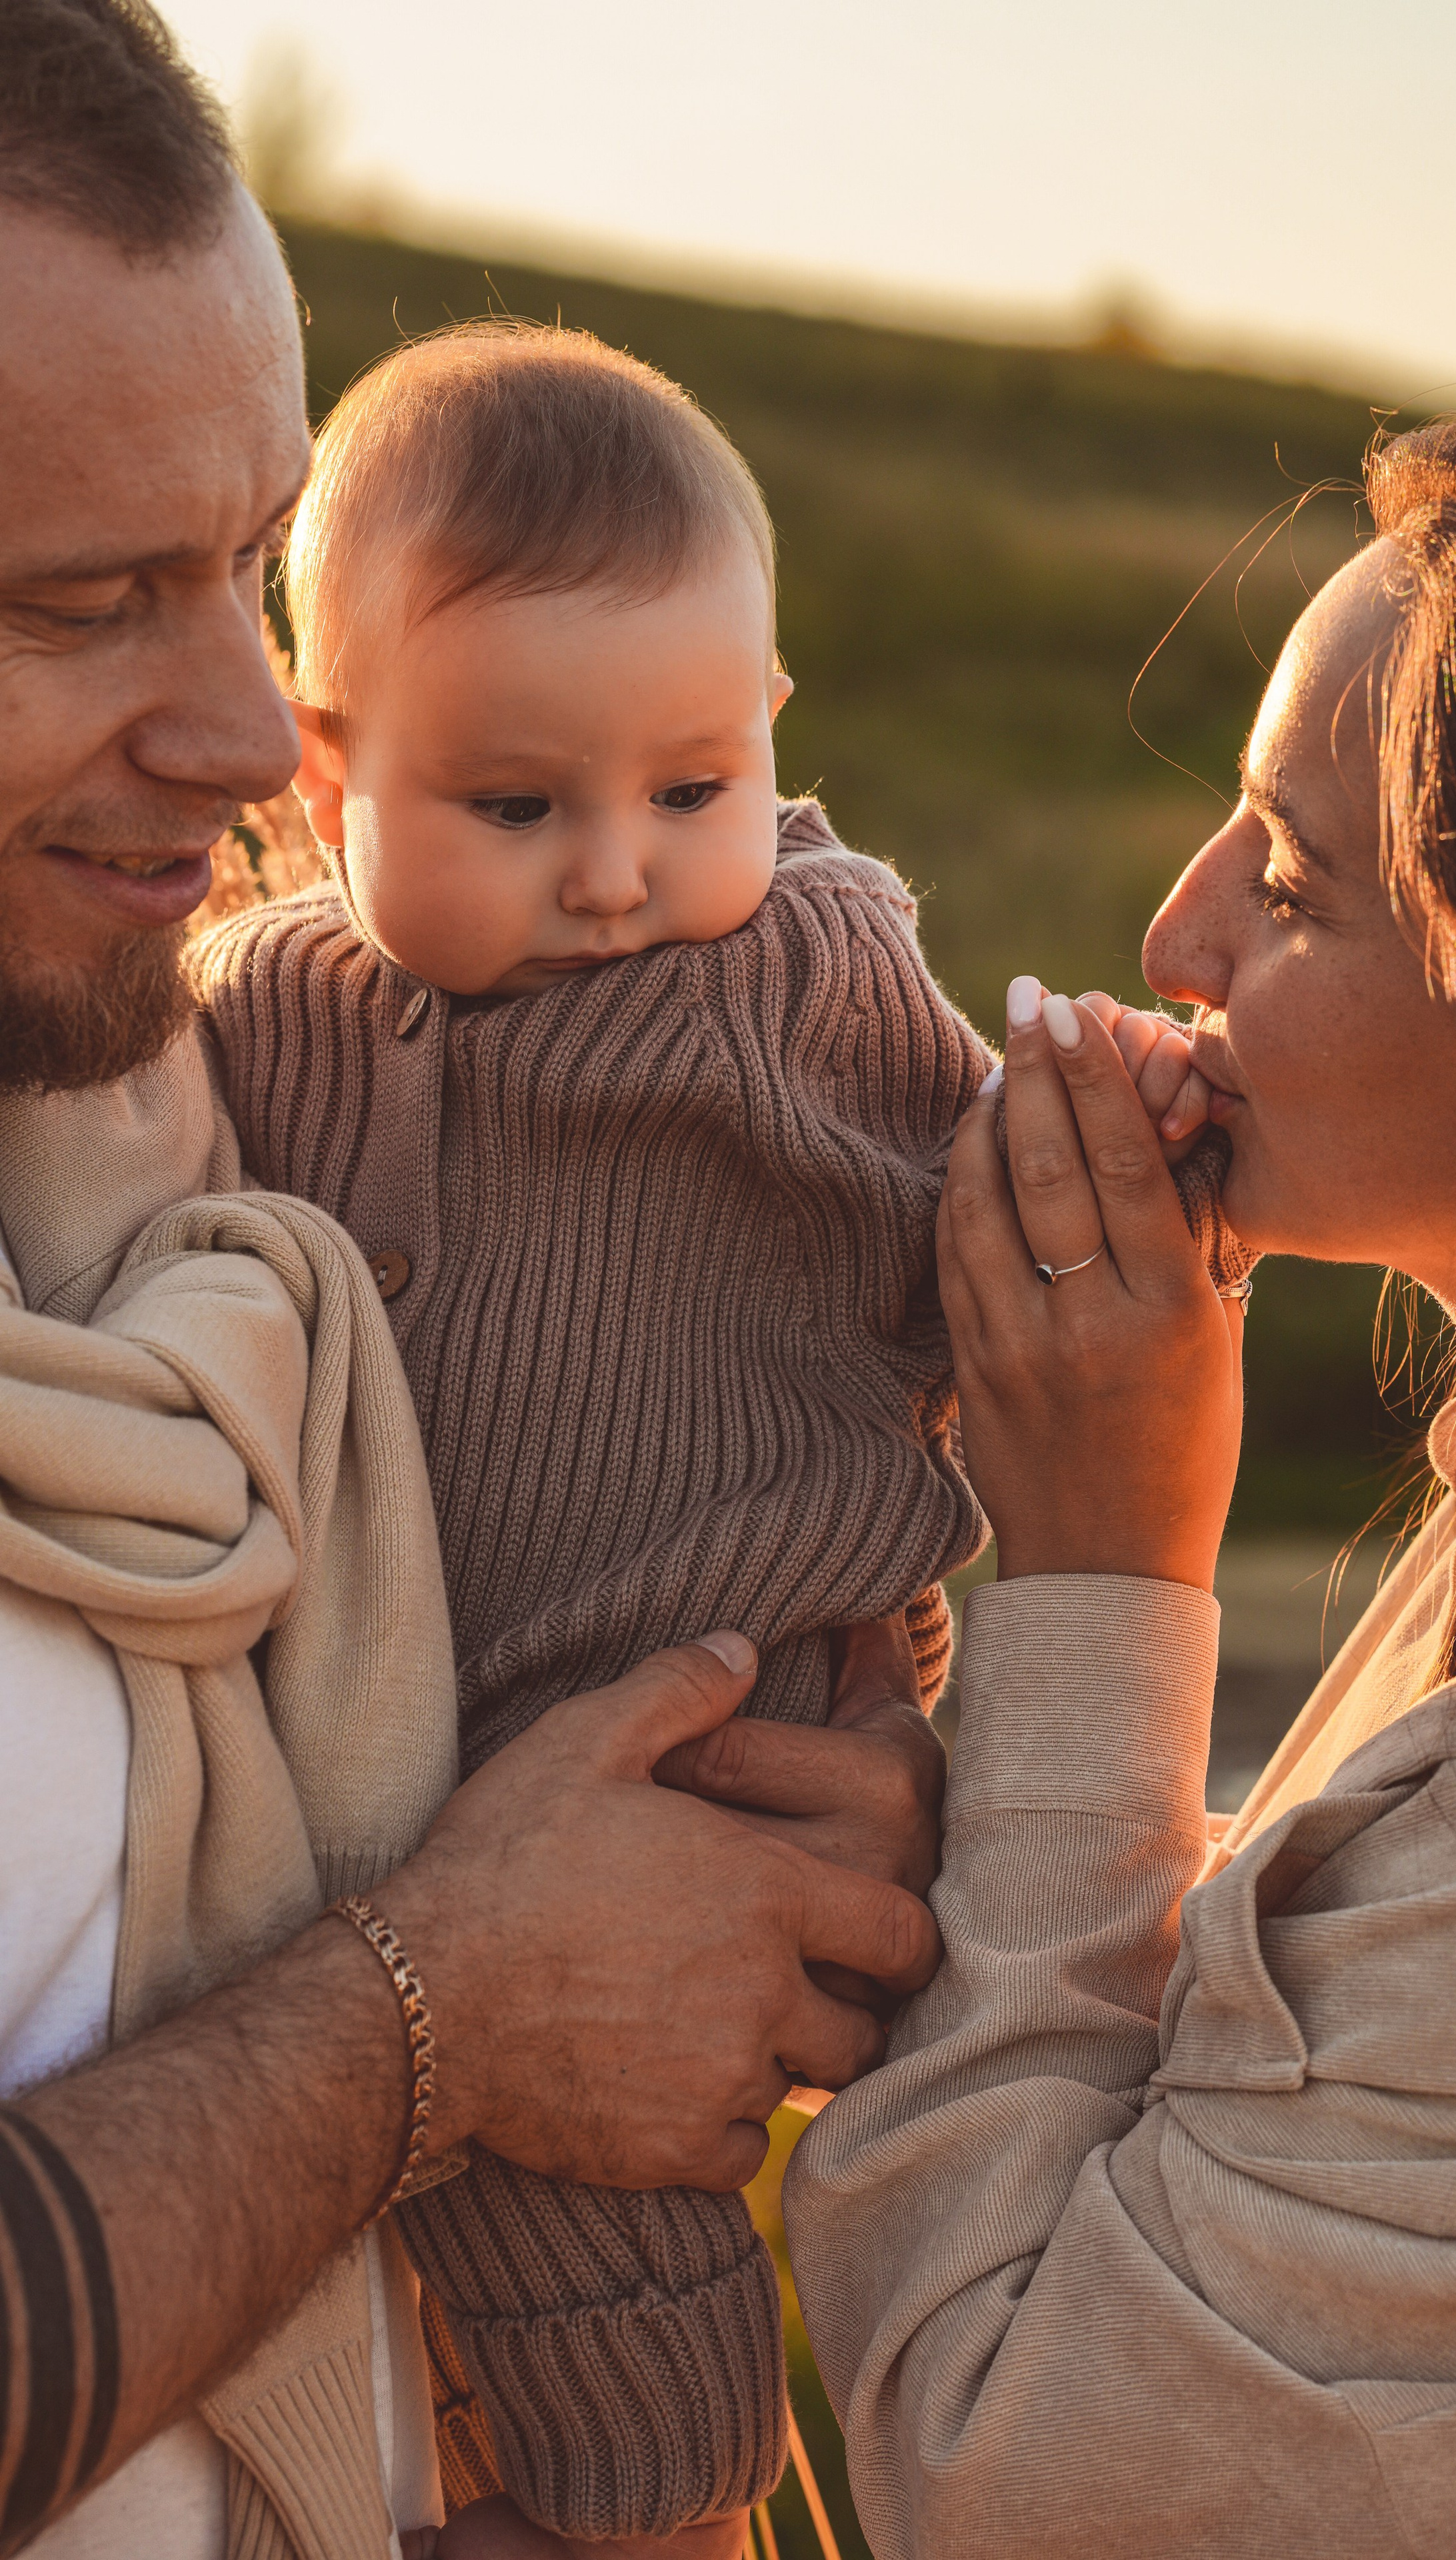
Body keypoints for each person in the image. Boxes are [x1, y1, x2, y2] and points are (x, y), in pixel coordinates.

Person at [0, 7, 944, 2554]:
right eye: (87, 600)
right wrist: (458, 2008)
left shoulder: (152, 1085)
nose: (240, 732)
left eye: (243, 556)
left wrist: (854, 1814)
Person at [185, 319, 1251, 2555]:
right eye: (513, 806)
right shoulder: (260, 1007)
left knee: (623, 2241)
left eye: (690, 790)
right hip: (386, 1784)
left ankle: (642, 2519)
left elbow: (987, 1170)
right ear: (324, 766)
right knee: (333, 2233)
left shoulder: (809, 971)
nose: (614, 870)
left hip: (704, 1718)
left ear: (770, 726)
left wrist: (1114, 1116)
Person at [785, 417, 1456, 2558]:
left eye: (1289, 883)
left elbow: (999, 2465)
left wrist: (1105, 1561)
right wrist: (977, 1856)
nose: (1177, 931)